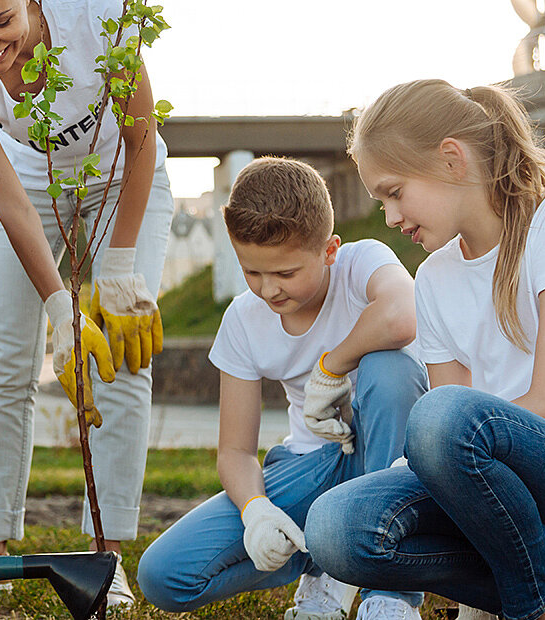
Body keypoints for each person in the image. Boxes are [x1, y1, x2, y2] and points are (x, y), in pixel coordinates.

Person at [304, 79, 545, 620]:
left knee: (439, 418)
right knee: (335, 527)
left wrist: (442, 439)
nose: (389, 217)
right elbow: (447, 447)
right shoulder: (431, 278)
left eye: (394, 192)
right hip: (495, 502)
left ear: (451, 159)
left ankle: (535, 607)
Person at [0, 0, 174, 606]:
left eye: (1, 21)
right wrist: (60, 305)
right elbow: (8, 201)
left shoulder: (97, 16)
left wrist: (117, 268)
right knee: (8, 365)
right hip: (26, 189)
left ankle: (106, 559)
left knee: (120, 358)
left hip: (121, 177)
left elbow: (141, 140)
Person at [136, 157, 427, 620]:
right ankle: (324, 556)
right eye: (252, 272)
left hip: (389, 459)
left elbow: (402, 317)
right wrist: (256, 512)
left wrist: (331, 368)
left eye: (286, 273)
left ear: (329, 250)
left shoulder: (362, 263)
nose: (268, 290)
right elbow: (234, 451)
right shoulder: (242, 321)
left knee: (390, 367)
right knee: (163, 575)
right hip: (313, 467)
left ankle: (388, 594)